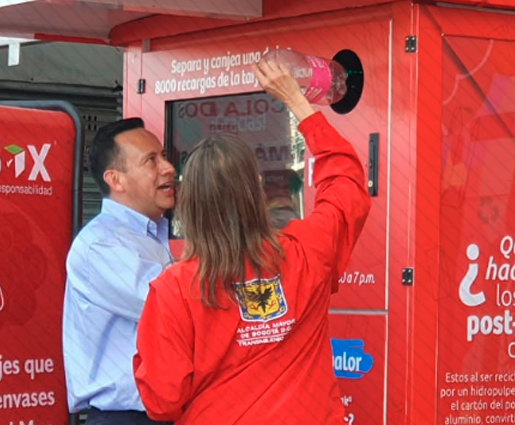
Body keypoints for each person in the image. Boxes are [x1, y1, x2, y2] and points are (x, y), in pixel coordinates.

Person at [132, 58, 372, 424]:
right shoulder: (306, 250)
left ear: (189, 203)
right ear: (258, 188)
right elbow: (346, 184)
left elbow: (163, 400)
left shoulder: (173, 290)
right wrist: (297, 102)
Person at [63, 117, 177, 425]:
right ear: (116, 180)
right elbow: (175, 307)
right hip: (126, 417)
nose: (168, 168)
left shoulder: (161, 233)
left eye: (164, 156)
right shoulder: (100, 245)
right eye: (151, 161)